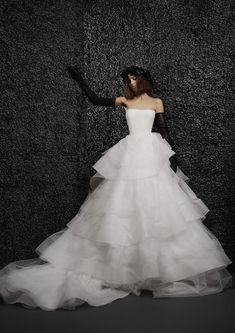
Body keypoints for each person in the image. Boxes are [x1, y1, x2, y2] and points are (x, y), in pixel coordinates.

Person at [0, 65, 232, 311]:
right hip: (131, 154)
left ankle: (156, 271)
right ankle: (120, 272)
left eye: (133, 78)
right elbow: (94, 99)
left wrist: (173, 159)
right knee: (120, 210)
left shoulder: (156, 102)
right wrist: (80, 79)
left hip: (151, 155)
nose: (130, 83)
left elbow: (164, 131)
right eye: (127, 79)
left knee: (158, 211)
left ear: (143, 80)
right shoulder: (124, 100)